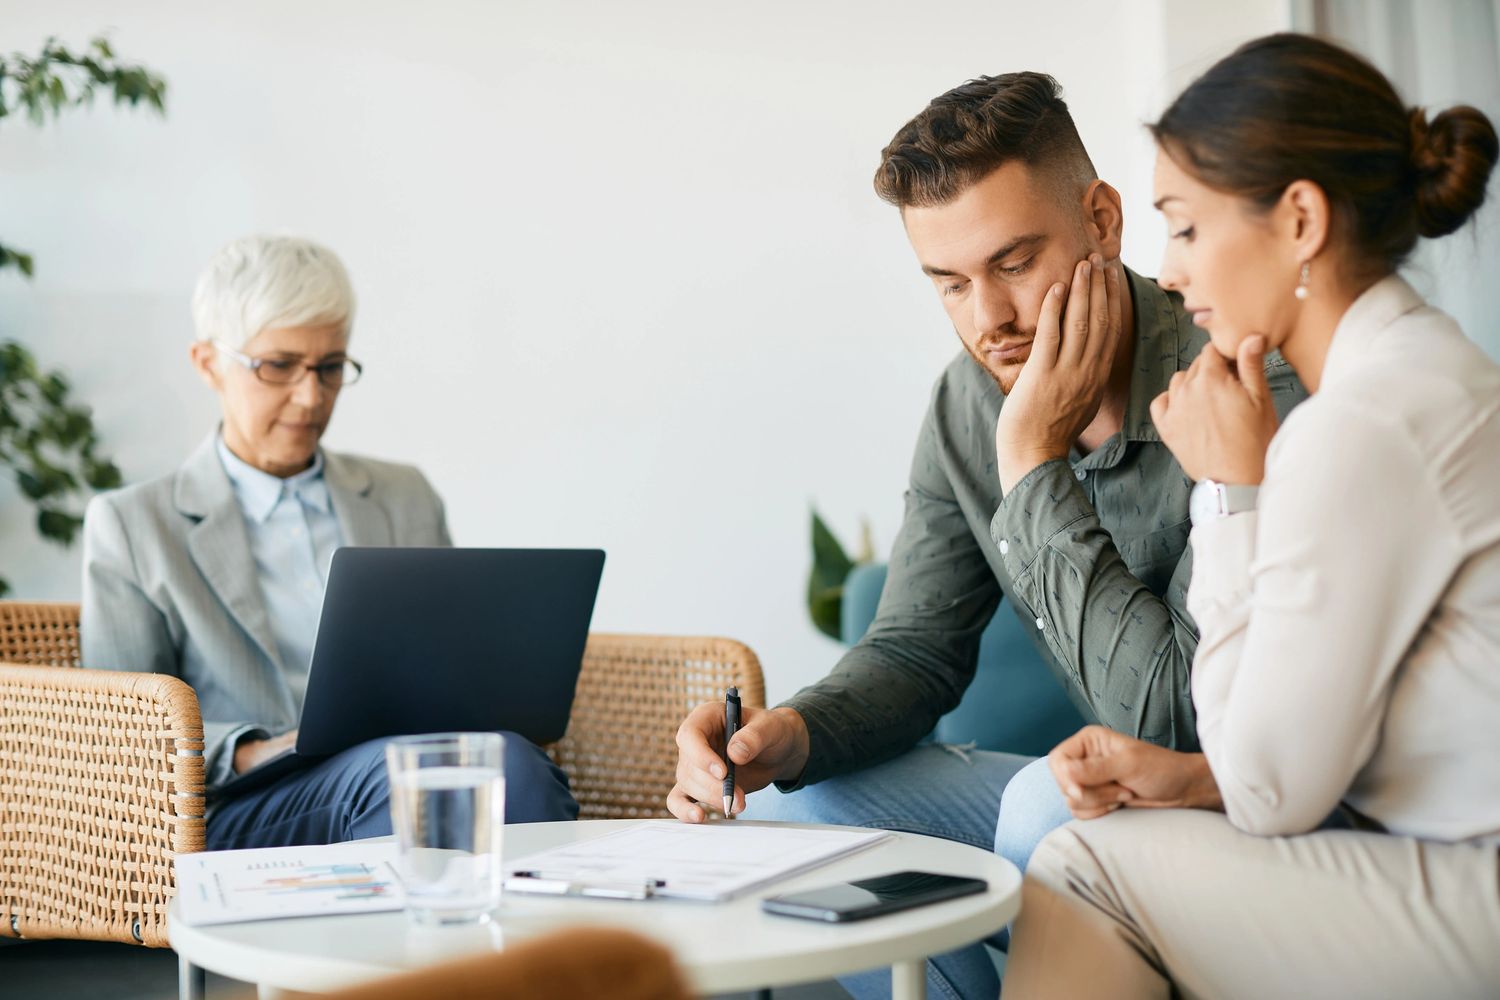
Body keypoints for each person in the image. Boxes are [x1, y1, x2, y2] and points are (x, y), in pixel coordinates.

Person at [669, 73, 1305, 996]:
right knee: (814, 810)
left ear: (1102, 219)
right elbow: (916, 649)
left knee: (1048, 804)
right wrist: (787, 737)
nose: (988, 321)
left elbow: (1177, 722)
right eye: (950, 283)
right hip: (1098, 797)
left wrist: (1034, 457)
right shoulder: (969, 400)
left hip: (1240, 803)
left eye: (1013, 264)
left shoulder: (1245, 381)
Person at [1003, 33, 1500, 999]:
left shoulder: (1360, 426)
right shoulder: (1429, 372)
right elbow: (1318, 735)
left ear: (1301, 219)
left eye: (1185, 227)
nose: (1171, 271)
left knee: (1080, 866)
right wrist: (1187, 779)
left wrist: (1230, 493)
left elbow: (1274, 794)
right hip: (1442, 854)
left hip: (1475, 887)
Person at [81, 235, 578, 851]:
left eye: (330, 367)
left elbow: (458, 671)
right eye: (278, 366)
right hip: (247, 803)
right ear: (208, 363)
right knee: (455, 778)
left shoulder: (402, 497)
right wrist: (255, 749)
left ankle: (507, 943)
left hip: (398, 769)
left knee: (505, 765)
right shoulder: (134, 525)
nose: (311, 396)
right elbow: (117, 738)